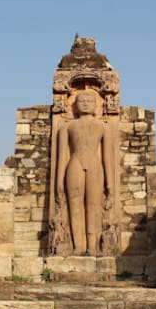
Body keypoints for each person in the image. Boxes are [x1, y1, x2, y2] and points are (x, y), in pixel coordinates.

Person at [56, 90, 115, 255]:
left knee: (94, 207)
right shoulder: (66, 127)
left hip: (95, 167)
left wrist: (110, 182)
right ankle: (78, 246)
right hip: (74, 164)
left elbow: (107, 158)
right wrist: (58, 181)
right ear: (74, 105)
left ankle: (92, 246)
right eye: (81, 100)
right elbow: (62, 157)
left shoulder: (103, 127)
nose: (85, 103)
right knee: (74, 206)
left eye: (89, 100)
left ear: (96, 105)